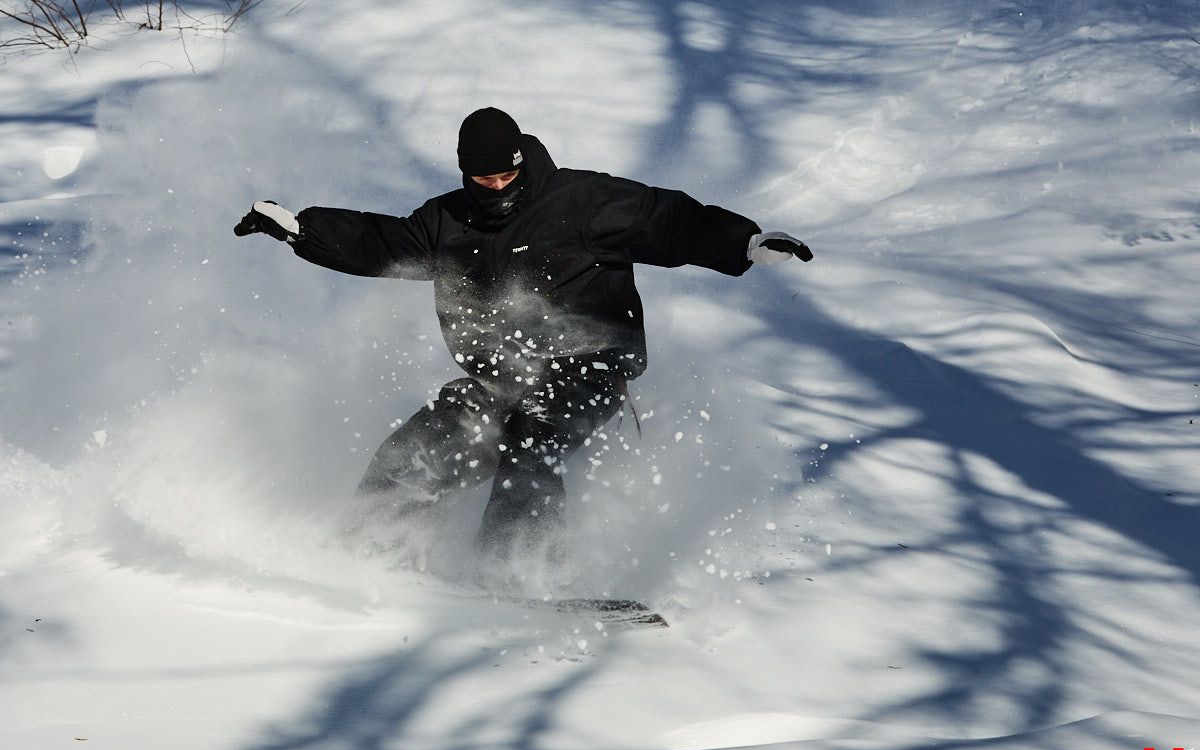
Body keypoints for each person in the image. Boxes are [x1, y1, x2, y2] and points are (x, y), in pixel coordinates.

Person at [235, 107, 812, 561]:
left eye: (508, 172)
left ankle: (518, 567)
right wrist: (304, 230)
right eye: (483, 178)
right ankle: (363, 550)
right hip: (501, 374)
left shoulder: (582, 202)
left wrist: (743, 243)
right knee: (420, 446)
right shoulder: (446, 221)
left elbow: (667, 220)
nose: (498, 185)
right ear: (466, 174)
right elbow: (380, 243)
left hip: (590, 365)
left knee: (534, 430)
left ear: (523, 161)